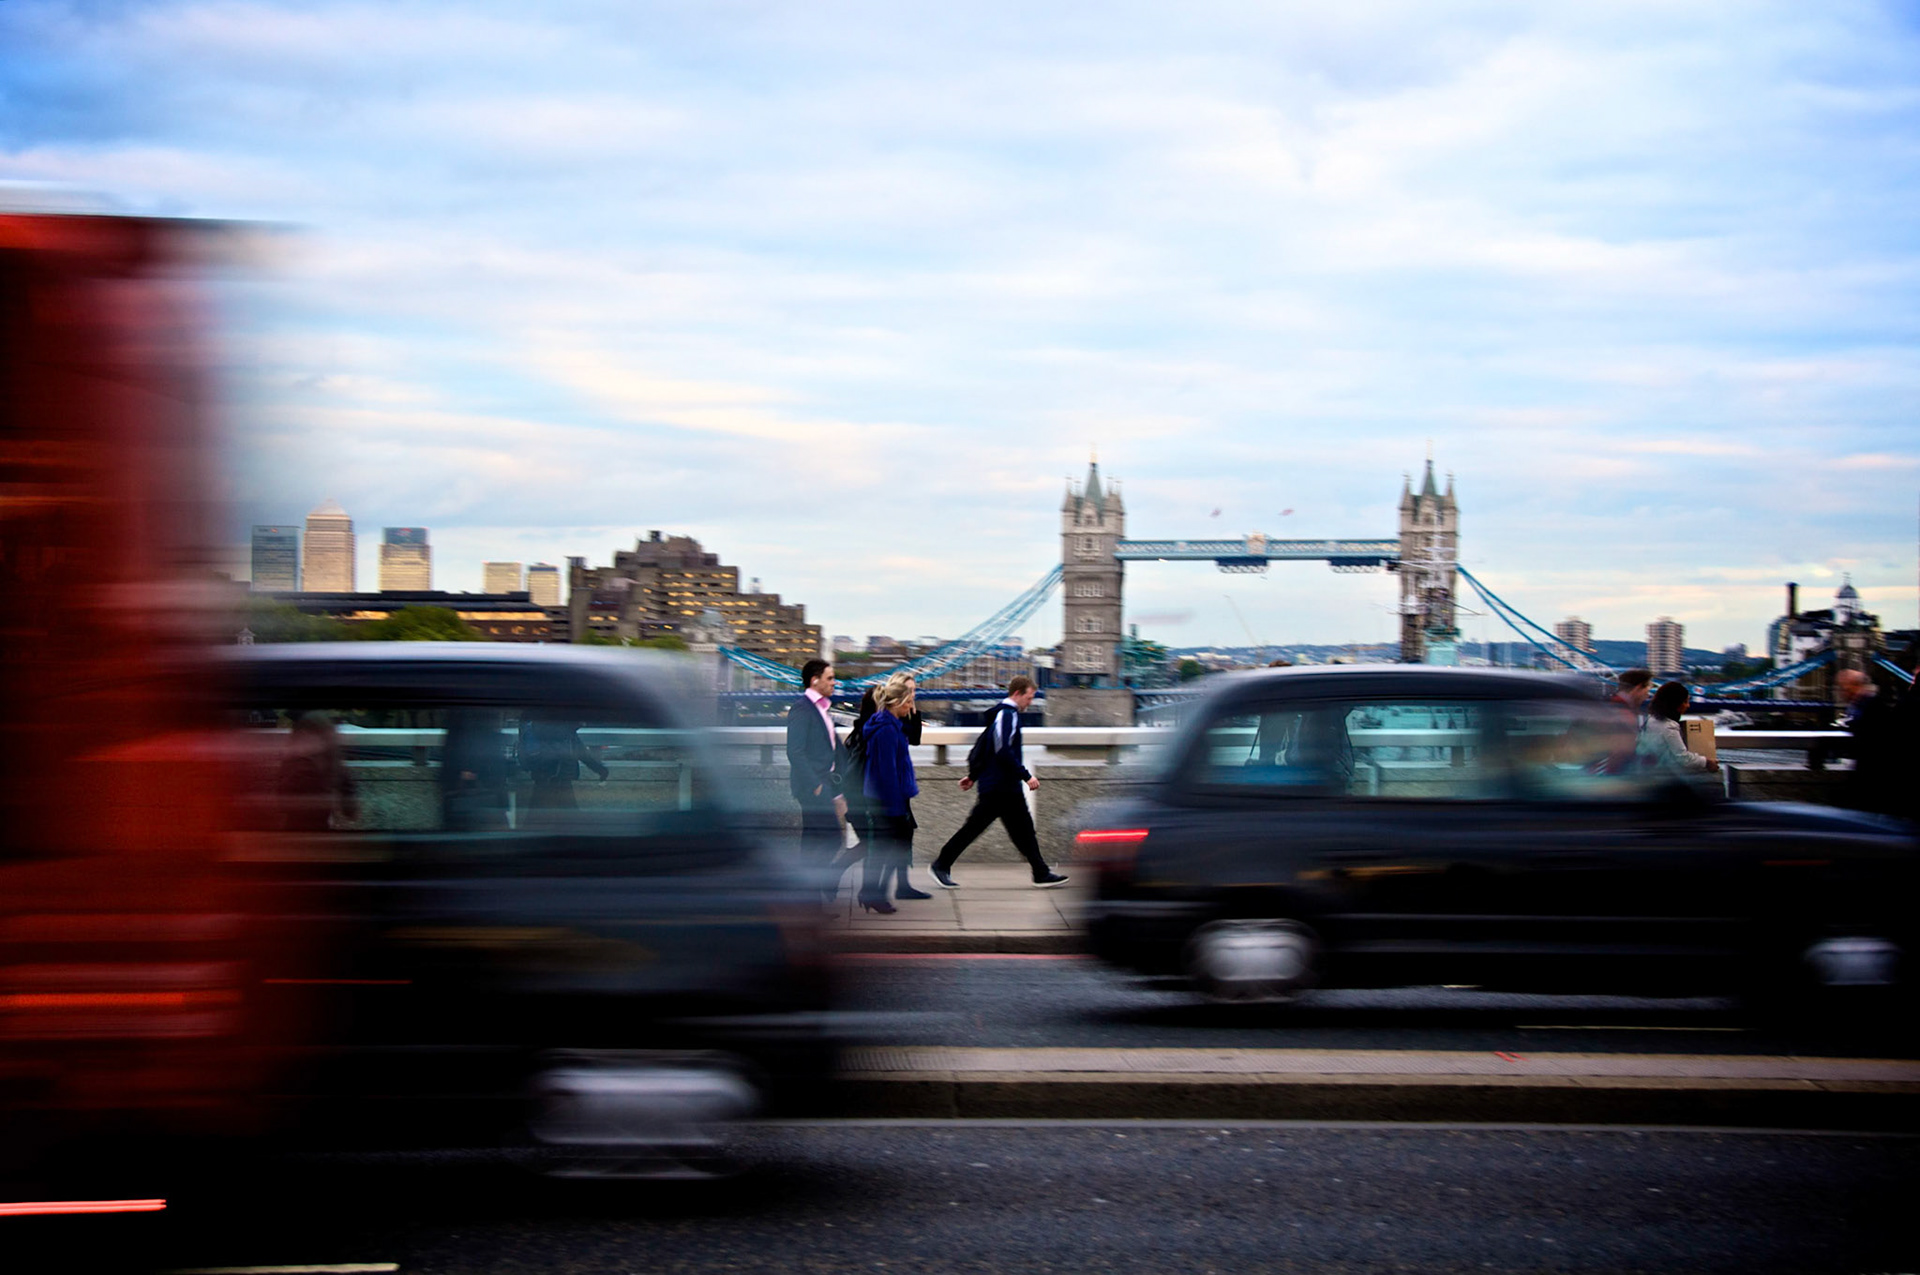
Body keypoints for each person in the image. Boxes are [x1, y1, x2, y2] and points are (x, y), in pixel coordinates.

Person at [930, 676, 1069, 889]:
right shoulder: (1007, 715)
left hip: (1003, 785)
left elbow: (988, 749)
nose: (1030, 703)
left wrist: (974, 776)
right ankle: (941, 864)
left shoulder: (1003, 714)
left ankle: (1040, 872)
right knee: (976, 828)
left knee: (1023, 830)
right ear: (1017, 694)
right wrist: (1026, 775)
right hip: (1000, 787)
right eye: (1029, 698)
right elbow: (1002, 750)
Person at [843, 672, 931, 900]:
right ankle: (872, 890)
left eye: (914, 692)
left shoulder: (895, 719)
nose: (913, 696)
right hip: (879, 793)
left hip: (894, 790)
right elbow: (885, 767)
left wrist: (912, 710)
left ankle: (893, 888)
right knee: (882, 843)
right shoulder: (884, 722)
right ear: (897, 695)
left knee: (895, 839)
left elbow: (914, 738)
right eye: (909, 692)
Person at [785, 658, 850, 902]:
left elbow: (834, 749)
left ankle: (807, 900)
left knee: (812, 843)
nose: (834, 682)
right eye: (830, 678)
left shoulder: (823, 708)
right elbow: (795, 751)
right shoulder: (802, 709)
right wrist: (816, 785)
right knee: (832, 839)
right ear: (815, 680)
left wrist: (840, 787)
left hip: (827, 784)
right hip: (812, 786)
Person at [858, 679, 922, 913]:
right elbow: (886, 771)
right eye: (908, 702)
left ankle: (873, 893)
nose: (910, 707)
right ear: (896, 703)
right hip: (885, 800)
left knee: (888, 848)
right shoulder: (885, 729)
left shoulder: (891, 723)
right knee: (886, 848)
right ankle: (872, 893)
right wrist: (895, 807)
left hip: (888, 797)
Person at [1829, 668, 1898, 814]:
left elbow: (1869, 740)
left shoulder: (1871, 707)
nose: (1841, 692)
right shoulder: (1862, 705)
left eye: (1843, 687)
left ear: (1853, 686)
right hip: (1871, 775)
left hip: (1874, 778)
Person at [1634, 681, 1714, 774]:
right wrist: (1707, 762)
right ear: (1675, 703)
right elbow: (1683, 758)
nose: (1688, 705)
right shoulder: (1669, 727)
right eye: (1685, 701)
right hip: (1661, 776)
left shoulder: (1650, 720)